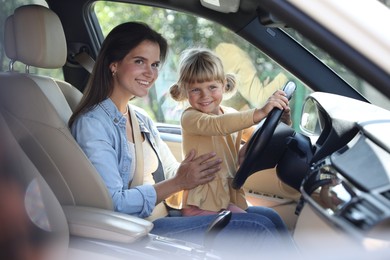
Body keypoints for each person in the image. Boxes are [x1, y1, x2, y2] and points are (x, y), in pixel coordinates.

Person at [68, 21, 296, 257]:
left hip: (165, 215)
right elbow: (116, 202)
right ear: (113, 65)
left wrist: (211, 169)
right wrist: (179, 183)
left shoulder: (140, 118)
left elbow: (172, 170)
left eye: (155, 64)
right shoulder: (93, 124)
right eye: (139, 62)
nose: (150, 73)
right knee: (256, 228)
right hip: (135, 232)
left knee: (270, 217)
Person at [168, 47, 291, 217]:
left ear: (224, 84)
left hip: (224, 200)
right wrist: (260, 112)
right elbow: (218, 125)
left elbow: (259, 136)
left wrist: (281, 121)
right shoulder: (190, 118)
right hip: (200, 204)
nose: (205, 95)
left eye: (212, 87)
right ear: (184, 91)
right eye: (196, 89)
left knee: (271, 218)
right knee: (257, 226)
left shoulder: (231, 114)